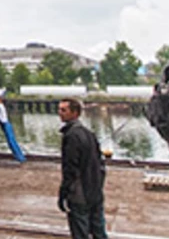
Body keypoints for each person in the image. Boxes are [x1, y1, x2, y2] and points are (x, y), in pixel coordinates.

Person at [57, 98, 107, 239]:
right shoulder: (88, 133)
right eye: (59, 109)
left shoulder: (71, 136)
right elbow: (100, 163)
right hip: (95, 190)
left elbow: (70, 169)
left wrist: (63, 193)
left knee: (80, 232)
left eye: (64, 110)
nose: (60, 113)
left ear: (75, 113)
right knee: (99, 231)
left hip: (80, 194)